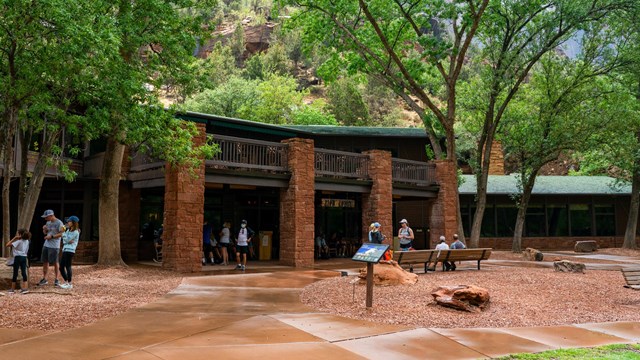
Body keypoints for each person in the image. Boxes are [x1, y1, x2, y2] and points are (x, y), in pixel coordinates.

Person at [39, 209, 64, 287]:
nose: (45, 219)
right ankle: (45, 279)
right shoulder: (48, 222)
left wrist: (52, 236)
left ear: (51, 215)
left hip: (54, 246)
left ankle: (57, 279)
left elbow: (62, 234)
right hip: (46, 245)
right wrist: (44, 229)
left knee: (55, 262)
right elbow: (46, 233)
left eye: (46, 217)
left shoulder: (59, 223)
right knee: (45, 261)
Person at [6, 229, 30, 294]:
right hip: (24, 257)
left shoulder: (18, 241)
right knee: (23, 272)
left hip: (17, 257)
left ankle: (12, 289)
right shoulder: (27, 241)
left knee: (15, 272)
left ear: (20, 234)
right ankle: (25, 288)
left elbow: (7, 245)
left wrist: (14, 238)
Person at [59, 216, 80, 289]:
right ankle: (66, 281)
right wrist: (66, 238)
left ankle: (69, 283)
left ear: (73, 223)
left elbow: (66, 239)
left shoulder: (75, 231)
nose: (68, 222)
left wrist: (63, 233)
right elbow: (65, 240)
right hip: (65, 249)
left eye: (69, 221)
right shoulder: (68, 230)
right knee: (61, 267)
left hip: (70, 250)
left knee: (68, 266)